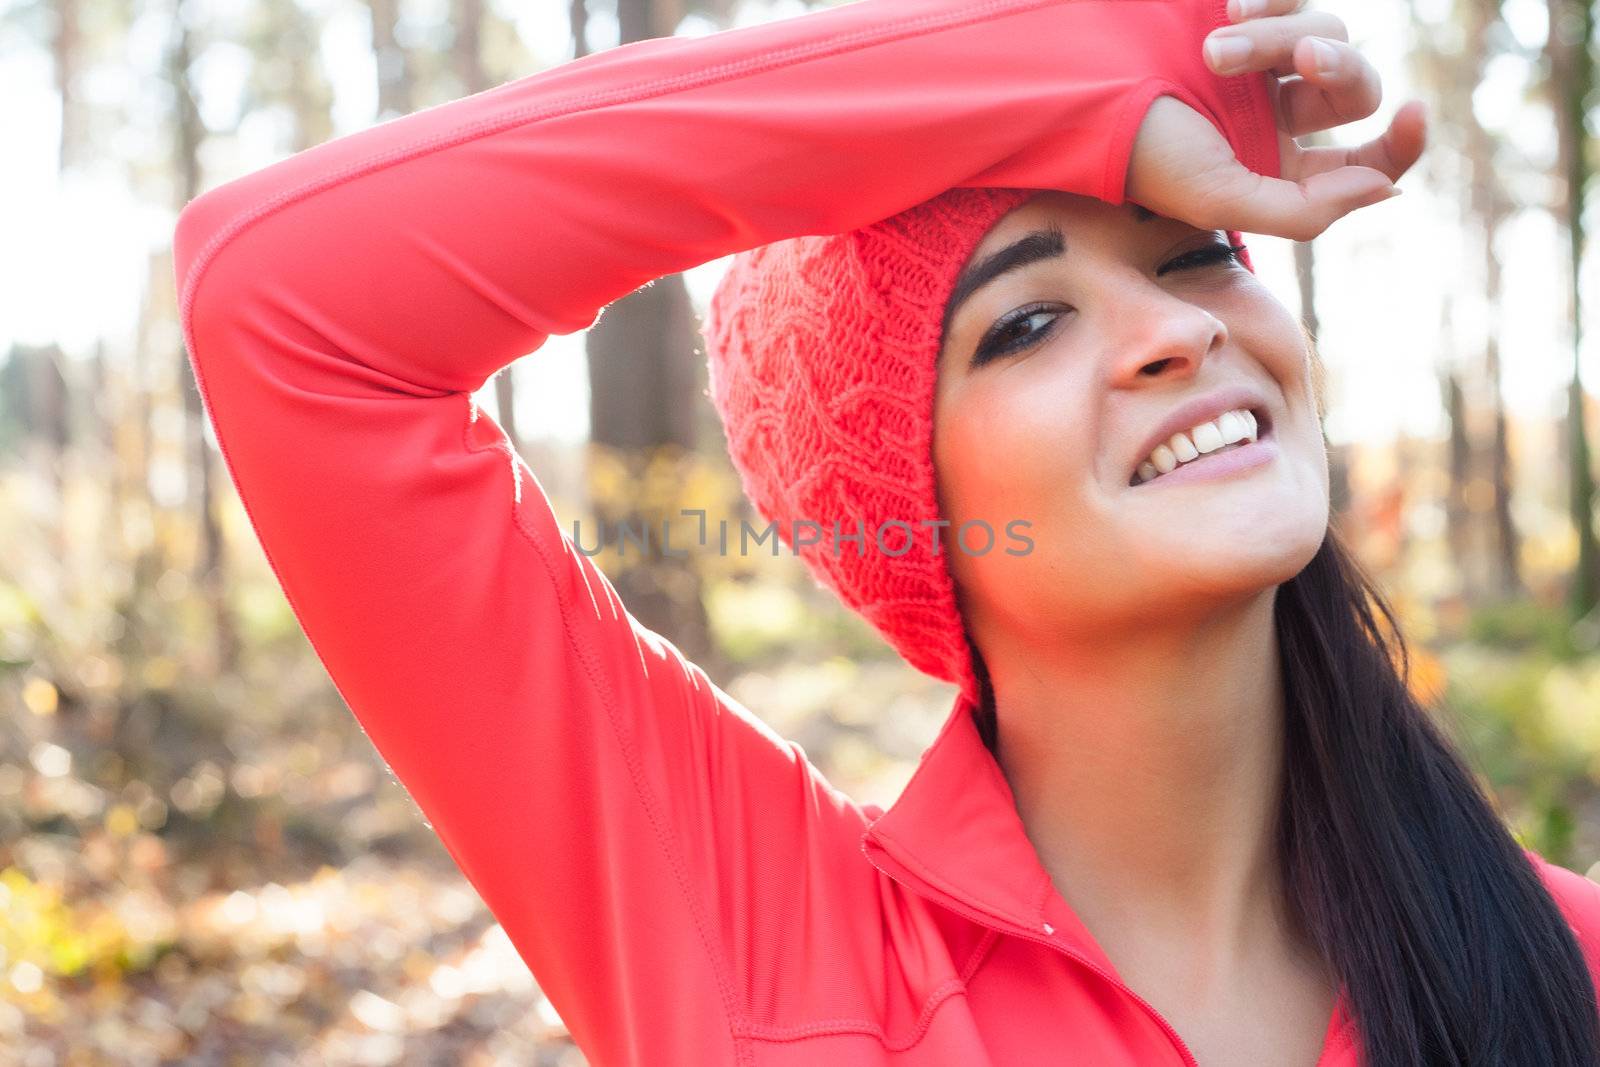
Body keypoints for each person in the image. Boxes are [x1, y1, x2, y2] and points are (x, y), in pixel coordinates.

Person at [169, 0, 1600, 1062]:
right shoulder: (765, 939)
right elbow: (283, 296)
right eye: (1027, 324)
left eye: (1195, 257)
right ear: (903, 505)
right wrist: (1093, 68)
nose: (1175, 332)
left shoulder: (1566, 965)